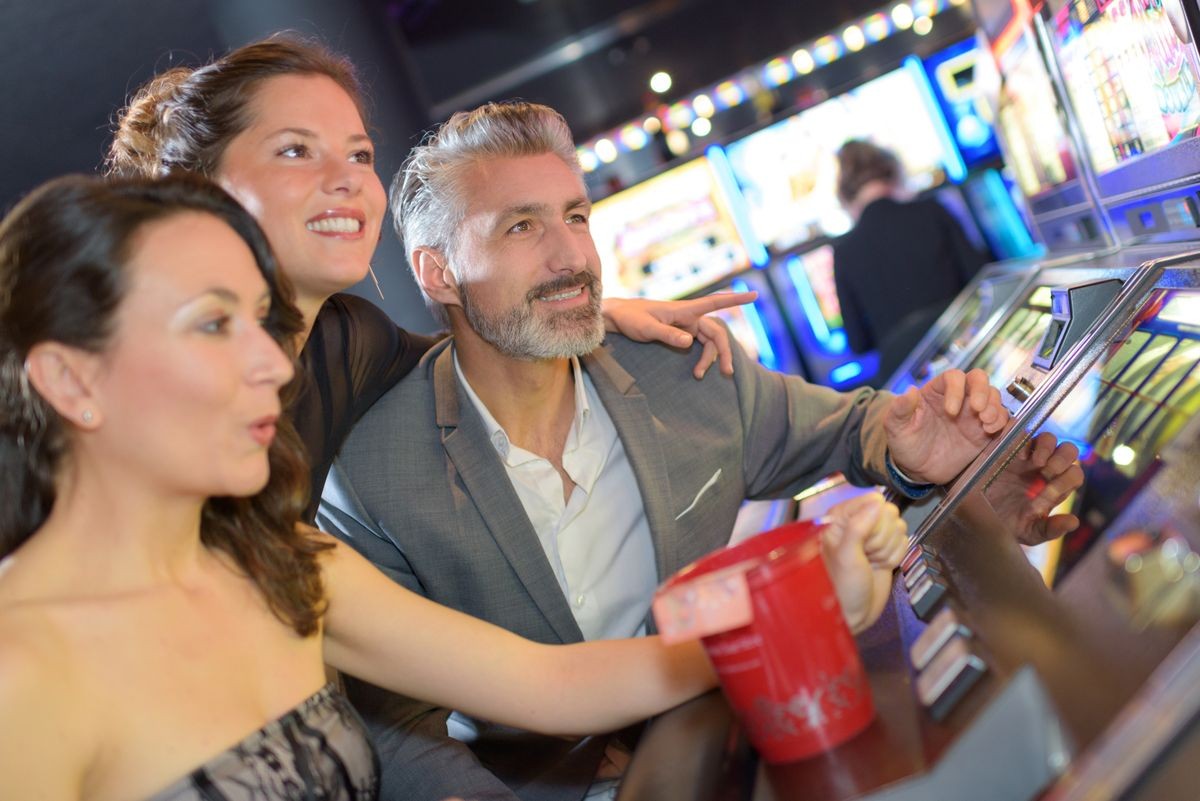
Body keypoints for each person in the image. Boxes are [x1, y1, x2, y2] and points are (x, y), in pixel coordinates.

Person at [319, 102, 1083, 801]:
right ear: (438, 271)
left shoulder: (683, 370)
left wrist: (928, 448)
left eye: (575, 216)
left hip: (743, 752)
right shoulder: (372, 470)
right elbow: (395, 724)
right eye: (521, 226)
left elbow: (854, 428)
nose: (568, 256)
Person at [0, 173, 829, 800]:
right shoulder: (20, 670)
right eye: (214, 324)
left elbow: (550, 683)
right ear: (71, 381)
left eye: (264, 322)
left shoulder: (284, 565)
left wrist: (799, 606)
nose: (269, 361)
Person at [105, 35, 753, 522]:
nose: (349, 177)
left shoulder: (347, 339)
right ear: (197, 188)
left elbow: (480, 340)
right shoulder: (146, 382)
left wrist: (594, 309)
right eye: (296, 150)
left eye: (359, 154)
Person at [831, 139, 989, 385]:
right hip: (971, 358)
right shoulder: (932, 211)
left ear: (845, 194)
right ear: (893, 172)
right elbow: (982, 278)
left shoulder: (843, 252)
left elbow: (858, 343)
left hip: (913, 384)